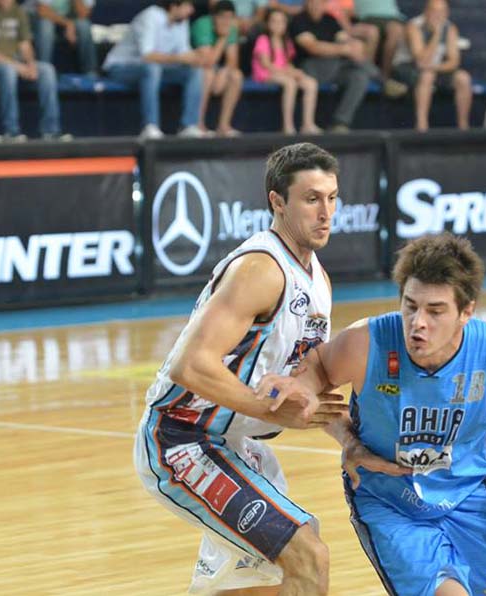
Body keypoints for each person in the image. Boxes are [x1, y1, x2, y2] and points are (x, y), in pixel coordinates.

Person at [256, 232, 486, 596]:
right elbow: (318, 368)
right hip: (389, 501)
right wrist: (338, 430)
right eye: (410, 305)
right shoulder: (366, 344)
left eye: (435, 311)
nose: (418, 322)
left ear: (466, 312)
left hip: (471, 493)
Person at [134, 142, 348, 595]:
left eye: (332, 198)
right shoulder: (261, 269)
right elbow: (190, 365)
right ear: (277, 202)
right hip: (182, 439)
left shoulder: (318, 279)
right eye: (311, 199)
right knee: (307, 556)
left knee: (264, 582)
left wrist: (351, 442)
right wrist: (265, 409)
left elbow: (306, 382)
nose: (326, 212)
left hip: (235, 445)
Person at [103, 0, 205, 140]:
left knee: (194, 72)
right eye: (187, 5)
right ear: (174, 6)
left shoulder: (182, 21)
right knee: (152, 68)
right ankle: (150, 126)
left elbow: (184, 53)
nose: (192, 10)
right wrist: (179, 58)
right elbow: (147, 56)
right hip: (121, 68)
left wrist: (197, 57)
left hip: (157, 69)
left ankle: (188, 126)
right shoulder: (150, 16)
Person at [0, 0, 73, 142]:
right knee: (8, 71)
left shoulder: (18, 11)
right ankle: (11, 131)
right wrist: (17, 66)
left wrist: (30, 64)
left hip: (15, 62)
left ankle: (51, 130)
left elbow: (25, 45)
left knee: (47, 70)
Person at [291, 0, 376, 133]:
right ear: (306, 4)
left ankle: (340, 122)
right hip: (310, 67)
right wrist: (343, 49)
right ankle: (382, 79)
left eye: (319, 3)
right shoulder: (299, 20)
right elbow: (313, 47)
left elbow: (345, 39)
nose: (315, 6)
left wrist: (354, 46)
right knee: (353, 62)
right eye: (312, 2)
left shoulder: (329, 20)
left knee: (359, 76)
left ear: (324, 4)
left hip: (335, 66)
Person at [392, 0, 471, 131]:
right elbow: (421, 60)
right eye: (434, 11)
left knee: (463, 78)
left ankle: (463, 126)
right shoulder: (413, 26)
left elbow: (454, 62)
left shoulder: (450, 28)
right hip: (405, 67)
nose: (438, 15)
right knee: (427, 76)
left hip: (432, 68)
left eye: (442, 11)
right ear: (426, 12)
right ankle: (422, 126)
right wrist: (436, 35)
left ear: (447, 13)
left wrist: (434, 68)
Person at [252, 8, 321, 134]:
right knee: (290, 83)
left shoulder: (286, 41)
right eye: (274, 21)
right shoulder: (263, 39)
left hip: (283, 73)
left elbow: (287, 63)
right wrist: (288, 73)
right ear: (267, 23)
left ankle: (308, 124)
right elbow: (266, 64)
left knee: (311, 83)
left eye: (281, 22)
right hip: (266, 74)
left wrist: (295, 72)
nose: (278, 25)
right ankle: (288, 125)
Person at [191, 0, 243, 136]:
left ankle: (223, 126)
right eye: (222, 17)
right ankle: (198, 124)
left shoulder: (231, 27)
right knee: (207, 74)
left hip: (215, 70)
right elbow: (207, 61)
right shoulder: (202, 24)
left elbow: (233, 61)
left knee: (236, 75)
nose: (226, 22)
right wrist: (223, 38)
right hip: (193, 68)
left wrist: (224, 72)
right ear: (214, 16)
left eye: (230, 18)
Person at [27, 0, 99, 76]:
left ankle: (90, 72)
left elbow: (83, 14)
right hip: (37, 19)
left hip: (68, 23)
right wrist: (68, 24)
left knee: (84, 25)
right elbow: (42, 11)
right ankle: (44, 71)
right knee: (46, 26)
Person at [353, 0, 407, 94]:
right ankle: (370, 75)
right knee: (372, 32)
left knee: (396, 30)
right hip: (368, 17)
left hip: (393, 18)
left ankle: (386, 78)